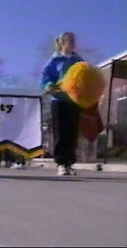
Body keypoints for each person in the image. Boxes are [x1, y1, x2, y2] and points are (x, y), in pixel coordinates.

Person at [40, 32, 84, 176]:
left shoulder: (79, 61)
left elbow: (86, 77)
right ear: (63, 43)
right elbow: (46, 77)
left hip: (74, 100)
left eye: (74, 40)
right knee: (60, 132)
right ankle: (61, 163)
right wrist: (49, 86)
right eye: (70, 40)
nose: (73, 43)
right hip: (59, 100)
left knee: (72, 133)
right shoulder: (55, 60)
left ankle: (69, 163)